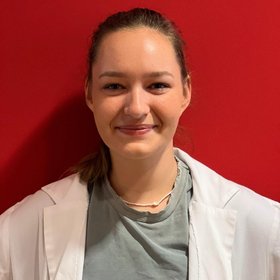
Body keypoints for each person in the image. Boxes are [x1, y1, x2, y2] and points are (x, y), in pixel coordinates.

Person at [0, 7, 279, 280]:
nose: (135, 108)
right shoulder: (18, 232)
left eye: (157, 85)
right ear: (90, 94)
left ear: (185, 92)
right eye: (114, 86)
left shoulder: (265, 229)